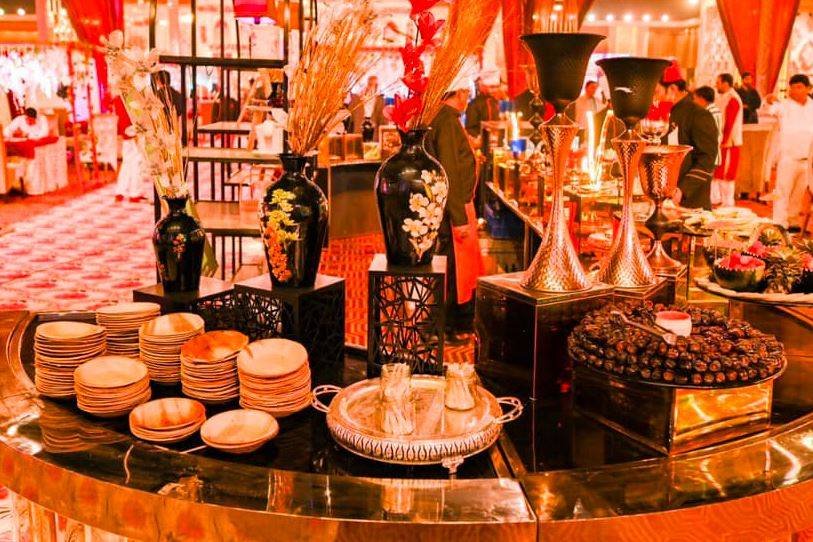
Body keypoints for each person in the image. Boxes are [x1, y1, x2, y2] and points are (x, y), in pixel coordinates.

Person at [425, 82, 483, 342]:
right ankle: (445, 327)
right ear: (458, 93)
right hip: (454, 208)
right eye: (467, 94)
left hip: (454, 205)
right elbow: (449, 169)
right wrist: (459, 218)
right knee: (454, 271)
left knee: (452, 269)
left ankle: (448, 325)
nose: (467, 99)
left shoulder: (443, 117)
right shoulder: (447, 120)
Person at [765, 74, 813, 230]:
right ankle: (779, 223)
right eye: (792, 88)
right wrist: (769, 100)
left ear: (808, 89)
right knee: (782, 191)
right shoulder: (783, 106)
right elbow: (770, 109)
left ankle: (792, 220)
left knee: (799, 192)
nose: (795, 91)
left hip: (807, 159)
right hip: (788, 157)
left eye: (799, 87)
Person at [665, 78, 719, 209]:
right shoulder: (667, 112)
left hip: (691, 202)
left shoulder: (698, 114)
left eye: (656, 92)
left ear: (672, 89)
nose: (653, 97)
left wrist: (683, 190)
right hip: (665, 197)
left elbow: (707, 159)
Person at [713, 73, 743, 207]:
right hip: (722, 141)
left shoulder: (733, 99)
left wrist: (724, 140)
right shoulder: (723, 97)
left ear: (726, 83)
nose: (716, 85)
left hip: (729, 142)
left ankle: (728, 203)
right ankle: (718, 200)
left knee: (726, 173)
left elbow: (729, 122)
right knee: (719, 172)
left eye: (718, 83)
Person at [464, 72, 500, 138]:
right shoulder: (474, 104)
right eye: (492, 87)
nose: (495, 90)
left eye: (497, 87)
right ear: (483, 86)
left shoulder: (497, 102)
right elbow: (470, 128)